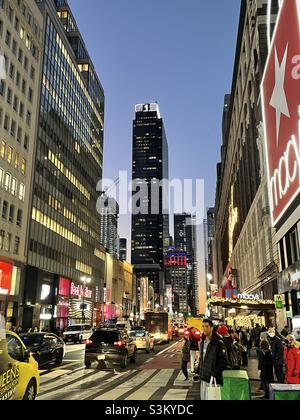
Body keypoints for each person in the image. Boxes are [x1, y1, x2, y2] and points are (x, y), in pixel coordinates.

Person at [199, 319, 228, 400]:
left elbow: (224, 361)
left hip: (213, 379)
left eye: (207, 326)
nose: (204, 328)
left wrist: (214, 373)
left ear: (211, 328)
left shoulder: (218, 342)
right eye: (203, 326)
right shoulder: (203, 342)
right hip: (204, 378)